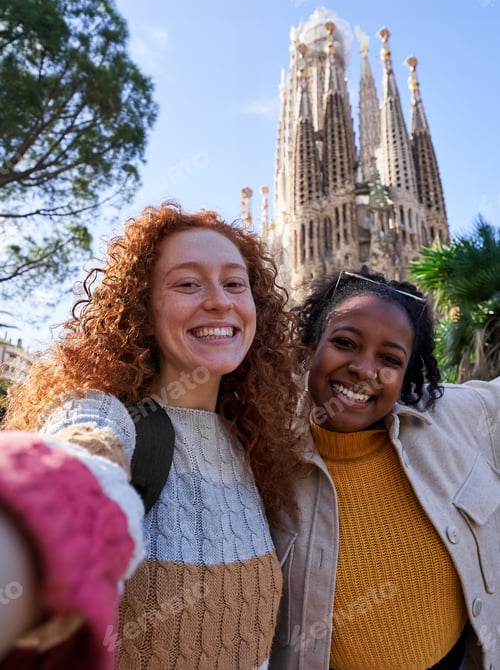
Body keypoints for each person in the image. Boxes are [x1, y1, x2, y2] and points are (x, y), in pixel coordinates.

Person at [1, 200, 305, 670]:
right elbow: (80, 458)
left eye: (234, 284)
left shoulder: (254, 444)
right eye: (187, 283)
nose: (220, 301)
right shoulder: (108, 414)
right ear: (143, 307)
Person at [269, 269, 500, 670]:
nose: (364, 369)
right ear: (310, 349)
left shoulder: (456, 417)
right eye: (344, 343)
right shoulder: (263, 454)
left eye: (390, 359)